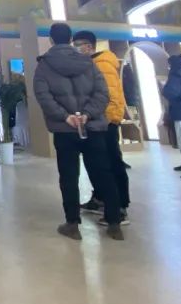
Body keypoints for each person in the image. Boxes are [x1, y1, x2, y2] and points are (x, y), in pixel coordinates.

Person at [33, 23, 123, 241]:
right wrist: (87, 115)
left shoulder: (44, 65)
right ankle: (114, 223)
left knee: (68, 176)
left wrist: (65, 117)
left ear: (51, 40)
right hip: (93, 128)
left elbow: (43, 96)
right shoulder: (88, 62)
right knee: (103, 173)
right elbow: (102, 93)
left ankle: (72, 224)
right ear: (70, 38)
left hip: (65, 130)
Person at [72, 31, 130, 225]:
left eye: (77, 45)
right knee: (96, 163)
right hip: (96, 121)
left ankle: (120, 208)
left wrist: (107, 118)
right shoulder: (91, 64)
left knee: (111, 163)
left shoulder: (103, 64)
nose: (75, 49)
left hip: (106, 122)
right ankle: (100, 199)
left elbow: (109, 95)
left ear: (88, 46)